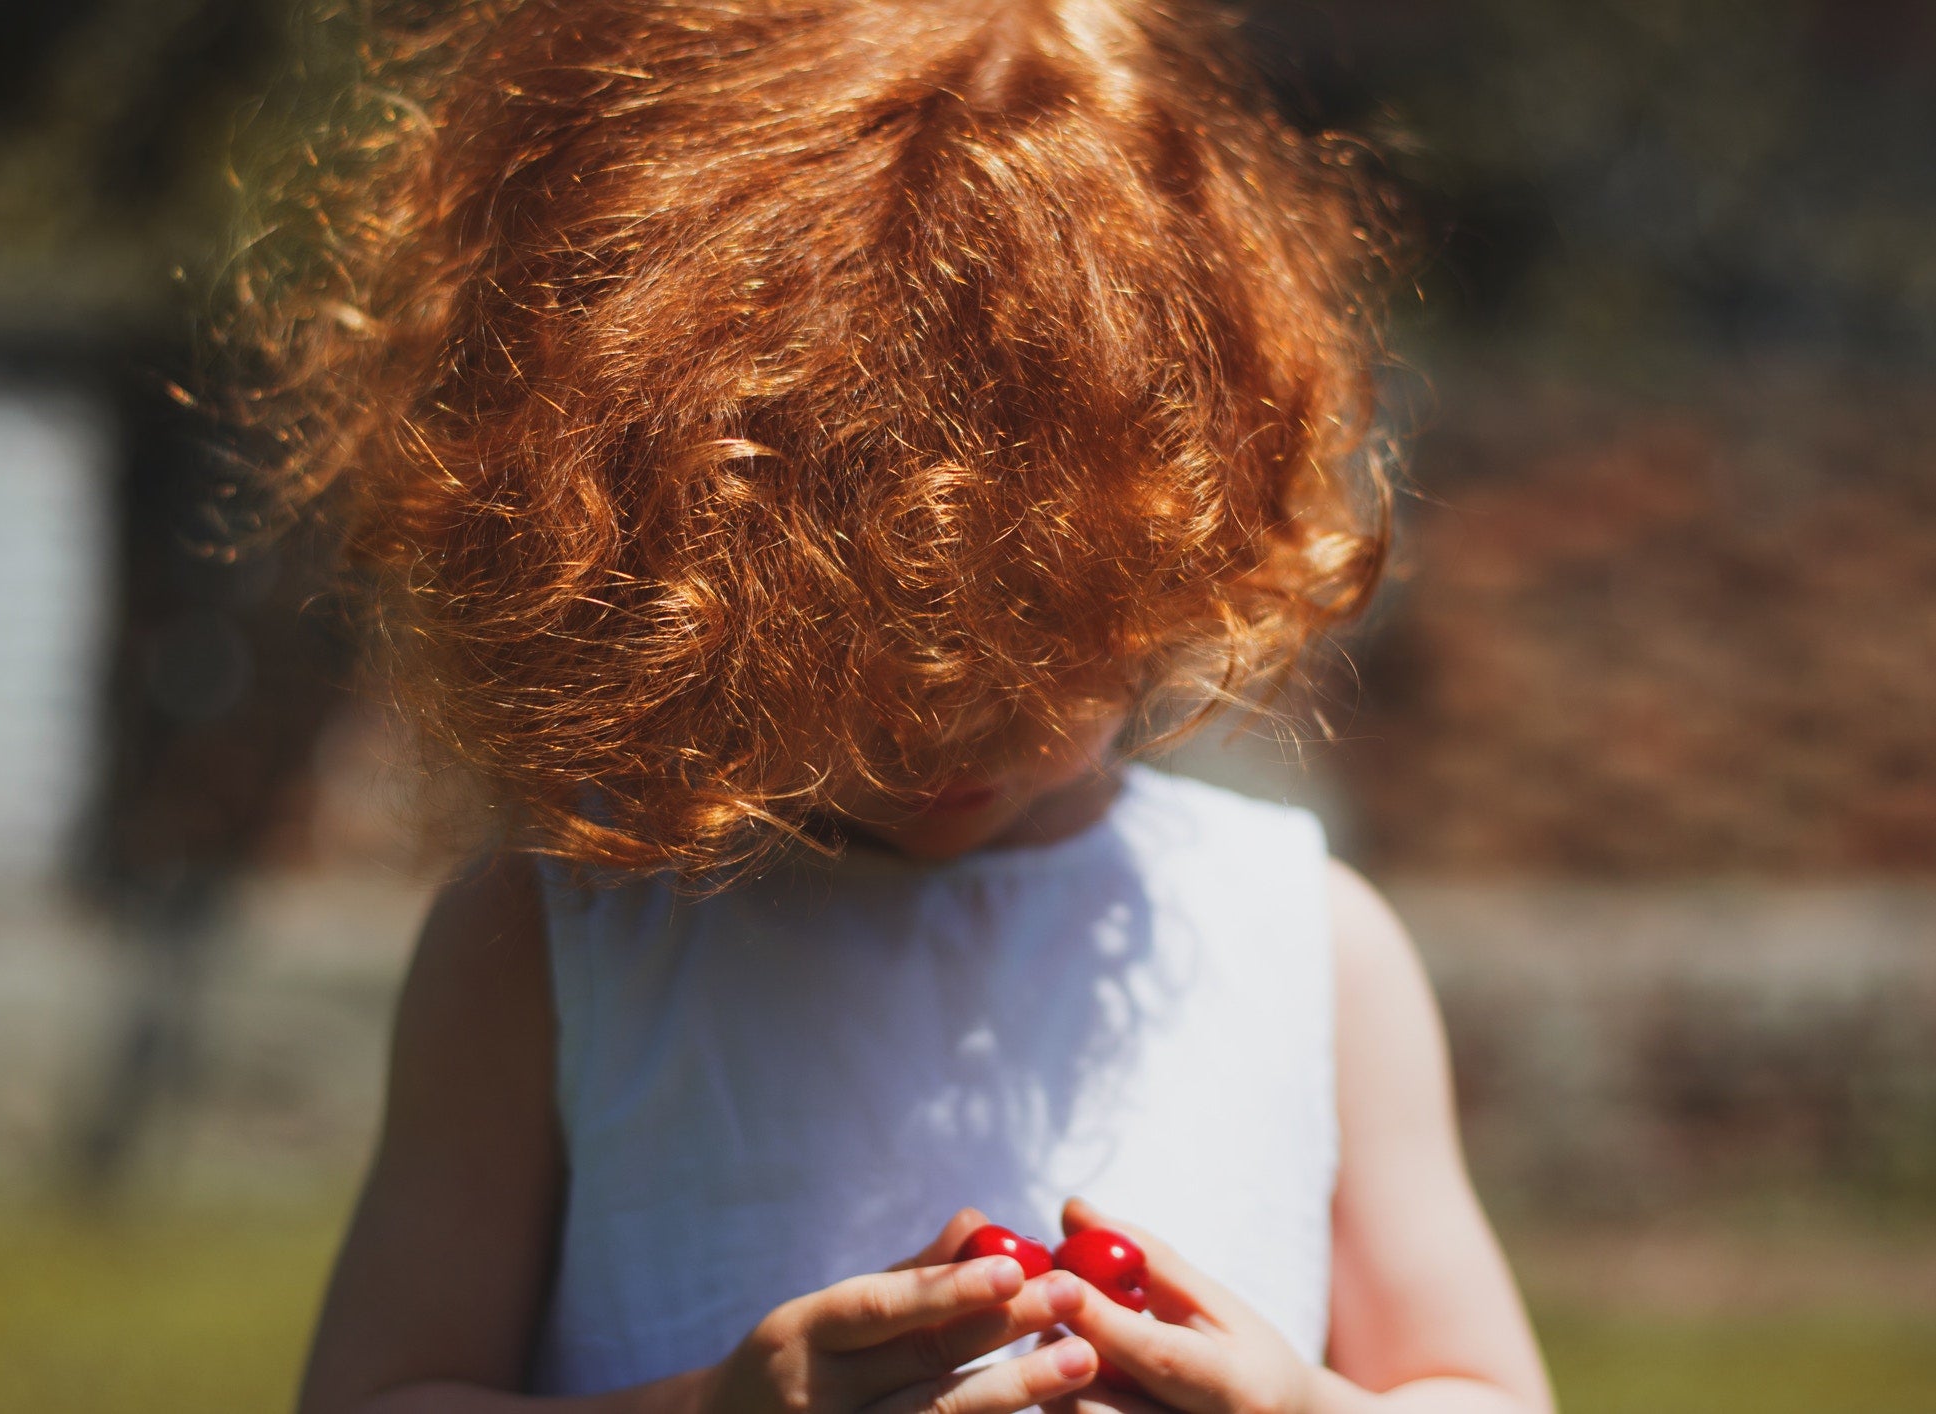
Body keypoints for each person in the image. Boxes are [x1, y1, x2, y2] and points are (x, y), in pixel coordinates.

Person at [237, 2, 1557, 1411]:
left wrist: (1302, 1405)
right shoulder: (554, 940)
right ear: (653, 579)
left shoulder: (1303, 945)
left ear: (1179, 538)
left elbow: (1476, 1383)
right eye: (846, 659)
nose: (942, 733)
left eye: (1033, 646)